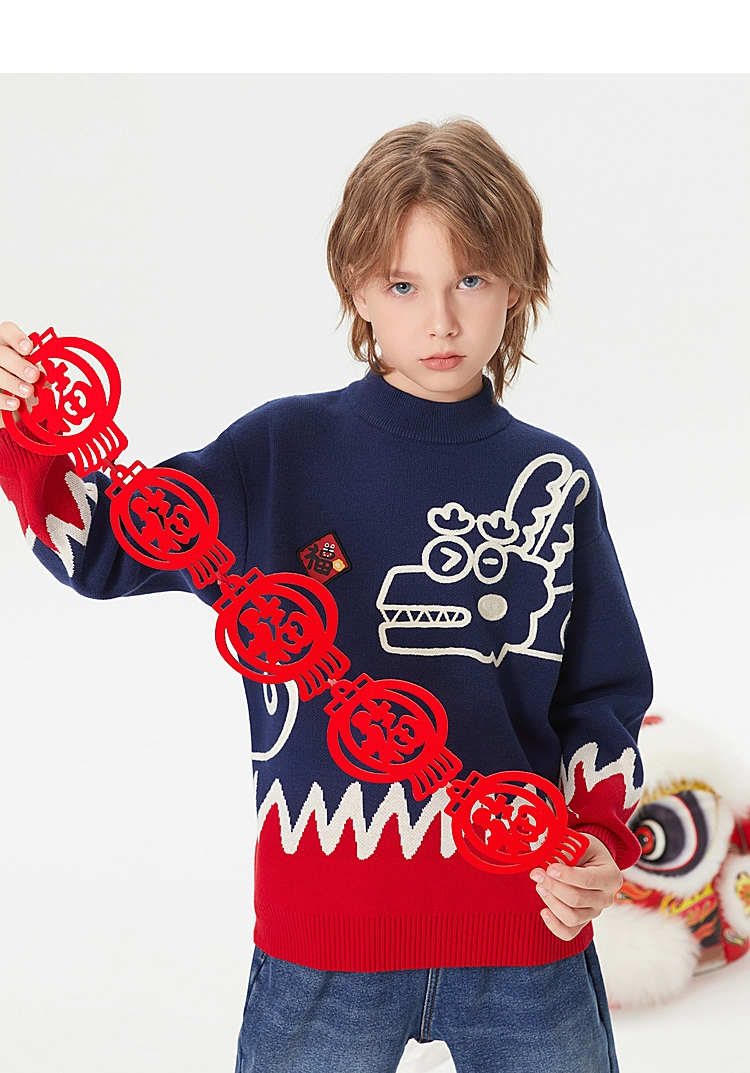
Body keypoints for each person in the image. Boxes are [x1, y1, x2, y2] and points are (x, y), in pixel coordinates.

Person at [0, 117, 653, 1073]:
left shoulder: (553, 479)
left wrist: (597, 839)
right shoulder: (277, 453)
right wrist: (23, 427)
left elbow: (602, 693)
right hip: (323, 941)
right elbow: (102, 548)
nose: (441, 320)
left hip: (526, 928)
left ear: (516, 284)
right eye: (404, 285)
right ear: (357, 288)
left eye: (471, 279)